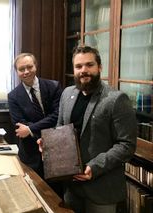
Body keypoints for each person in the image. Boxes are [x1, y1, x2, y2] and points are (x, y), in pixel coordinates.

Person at [38, 45, 137, 213]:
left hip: (101, 188)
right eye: (78, 66)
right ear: (74, 70)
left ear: (100, 67)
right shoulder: (67, 94)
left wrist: (95, 167)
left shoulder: (117, 99)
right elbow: (60, 130)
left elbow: (126, 145)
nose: (83, 70)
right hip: (70, 186)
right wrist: (48, 145)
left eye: (89, 65)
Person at [7, 53, 62, 179]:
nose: (26, 72)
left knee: (56, 192)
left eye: (29, 67)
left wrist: (30, 129)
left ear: (35, 66)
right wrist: (31, 131)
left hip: (56, 148)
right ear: (16, 72)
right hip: (30, 153)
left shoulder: (53, 87)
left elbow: (57, 115)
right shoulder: (13, 96)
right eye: (21, 69)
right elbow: (19, 124)